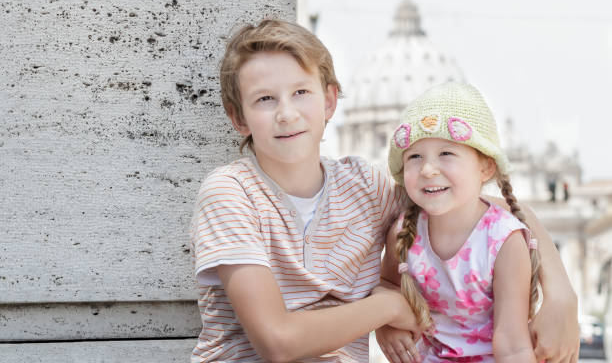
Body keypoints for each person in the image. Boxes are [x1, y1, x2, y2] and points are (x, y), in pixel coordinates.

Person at [190, 19, 578, 362]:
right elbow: (277, 344)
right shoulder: (230, 193)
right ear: (239, 118)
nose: (286, 113)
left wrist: (561, 295)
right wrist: (387, 309)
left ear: (329, 100)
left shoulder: (364, 186)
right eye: (264, 99)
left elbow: (479, 210)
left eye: (301, 93)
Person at [375, 82, 577, 362]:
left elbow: (513, 344)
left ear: (486, 166)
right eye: (415, 157)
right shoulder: (402, 232)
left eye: (446, 153)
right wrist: (387, 323)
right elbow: (387, 283)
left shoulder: (504, 240)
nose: (428, 169)